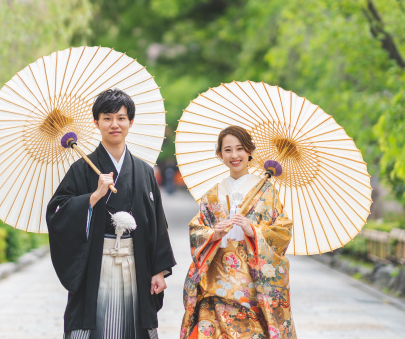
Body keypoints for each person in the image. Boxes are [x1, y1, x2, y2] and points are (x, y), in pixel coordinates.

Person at [47, 88, 176, 339]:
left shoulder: (143, 171)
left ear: (131, 122)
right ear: (96, 123)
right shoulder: (81, 169)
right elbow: (57, 212)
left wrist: (159, 270)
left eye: (121, 118)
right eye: (107, 118)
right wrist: (93, 197)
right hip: (96, 261)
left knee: (132, 326)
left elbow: (157, 223)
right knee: (94, 324)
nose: (114, 124)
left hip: (135, 261)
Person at [180, 125, 295, 339]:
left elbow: (282, 231)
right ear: (220, 154)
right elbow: (197, 230)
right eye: (228, 150)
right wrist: (213, 234)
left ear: (250, 151)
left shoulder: (267, 193)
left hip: (251, 284)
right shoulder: (211, 195)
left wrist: (253, 230)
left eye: (240, 149)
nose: (234, 155)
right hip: (215, 281)